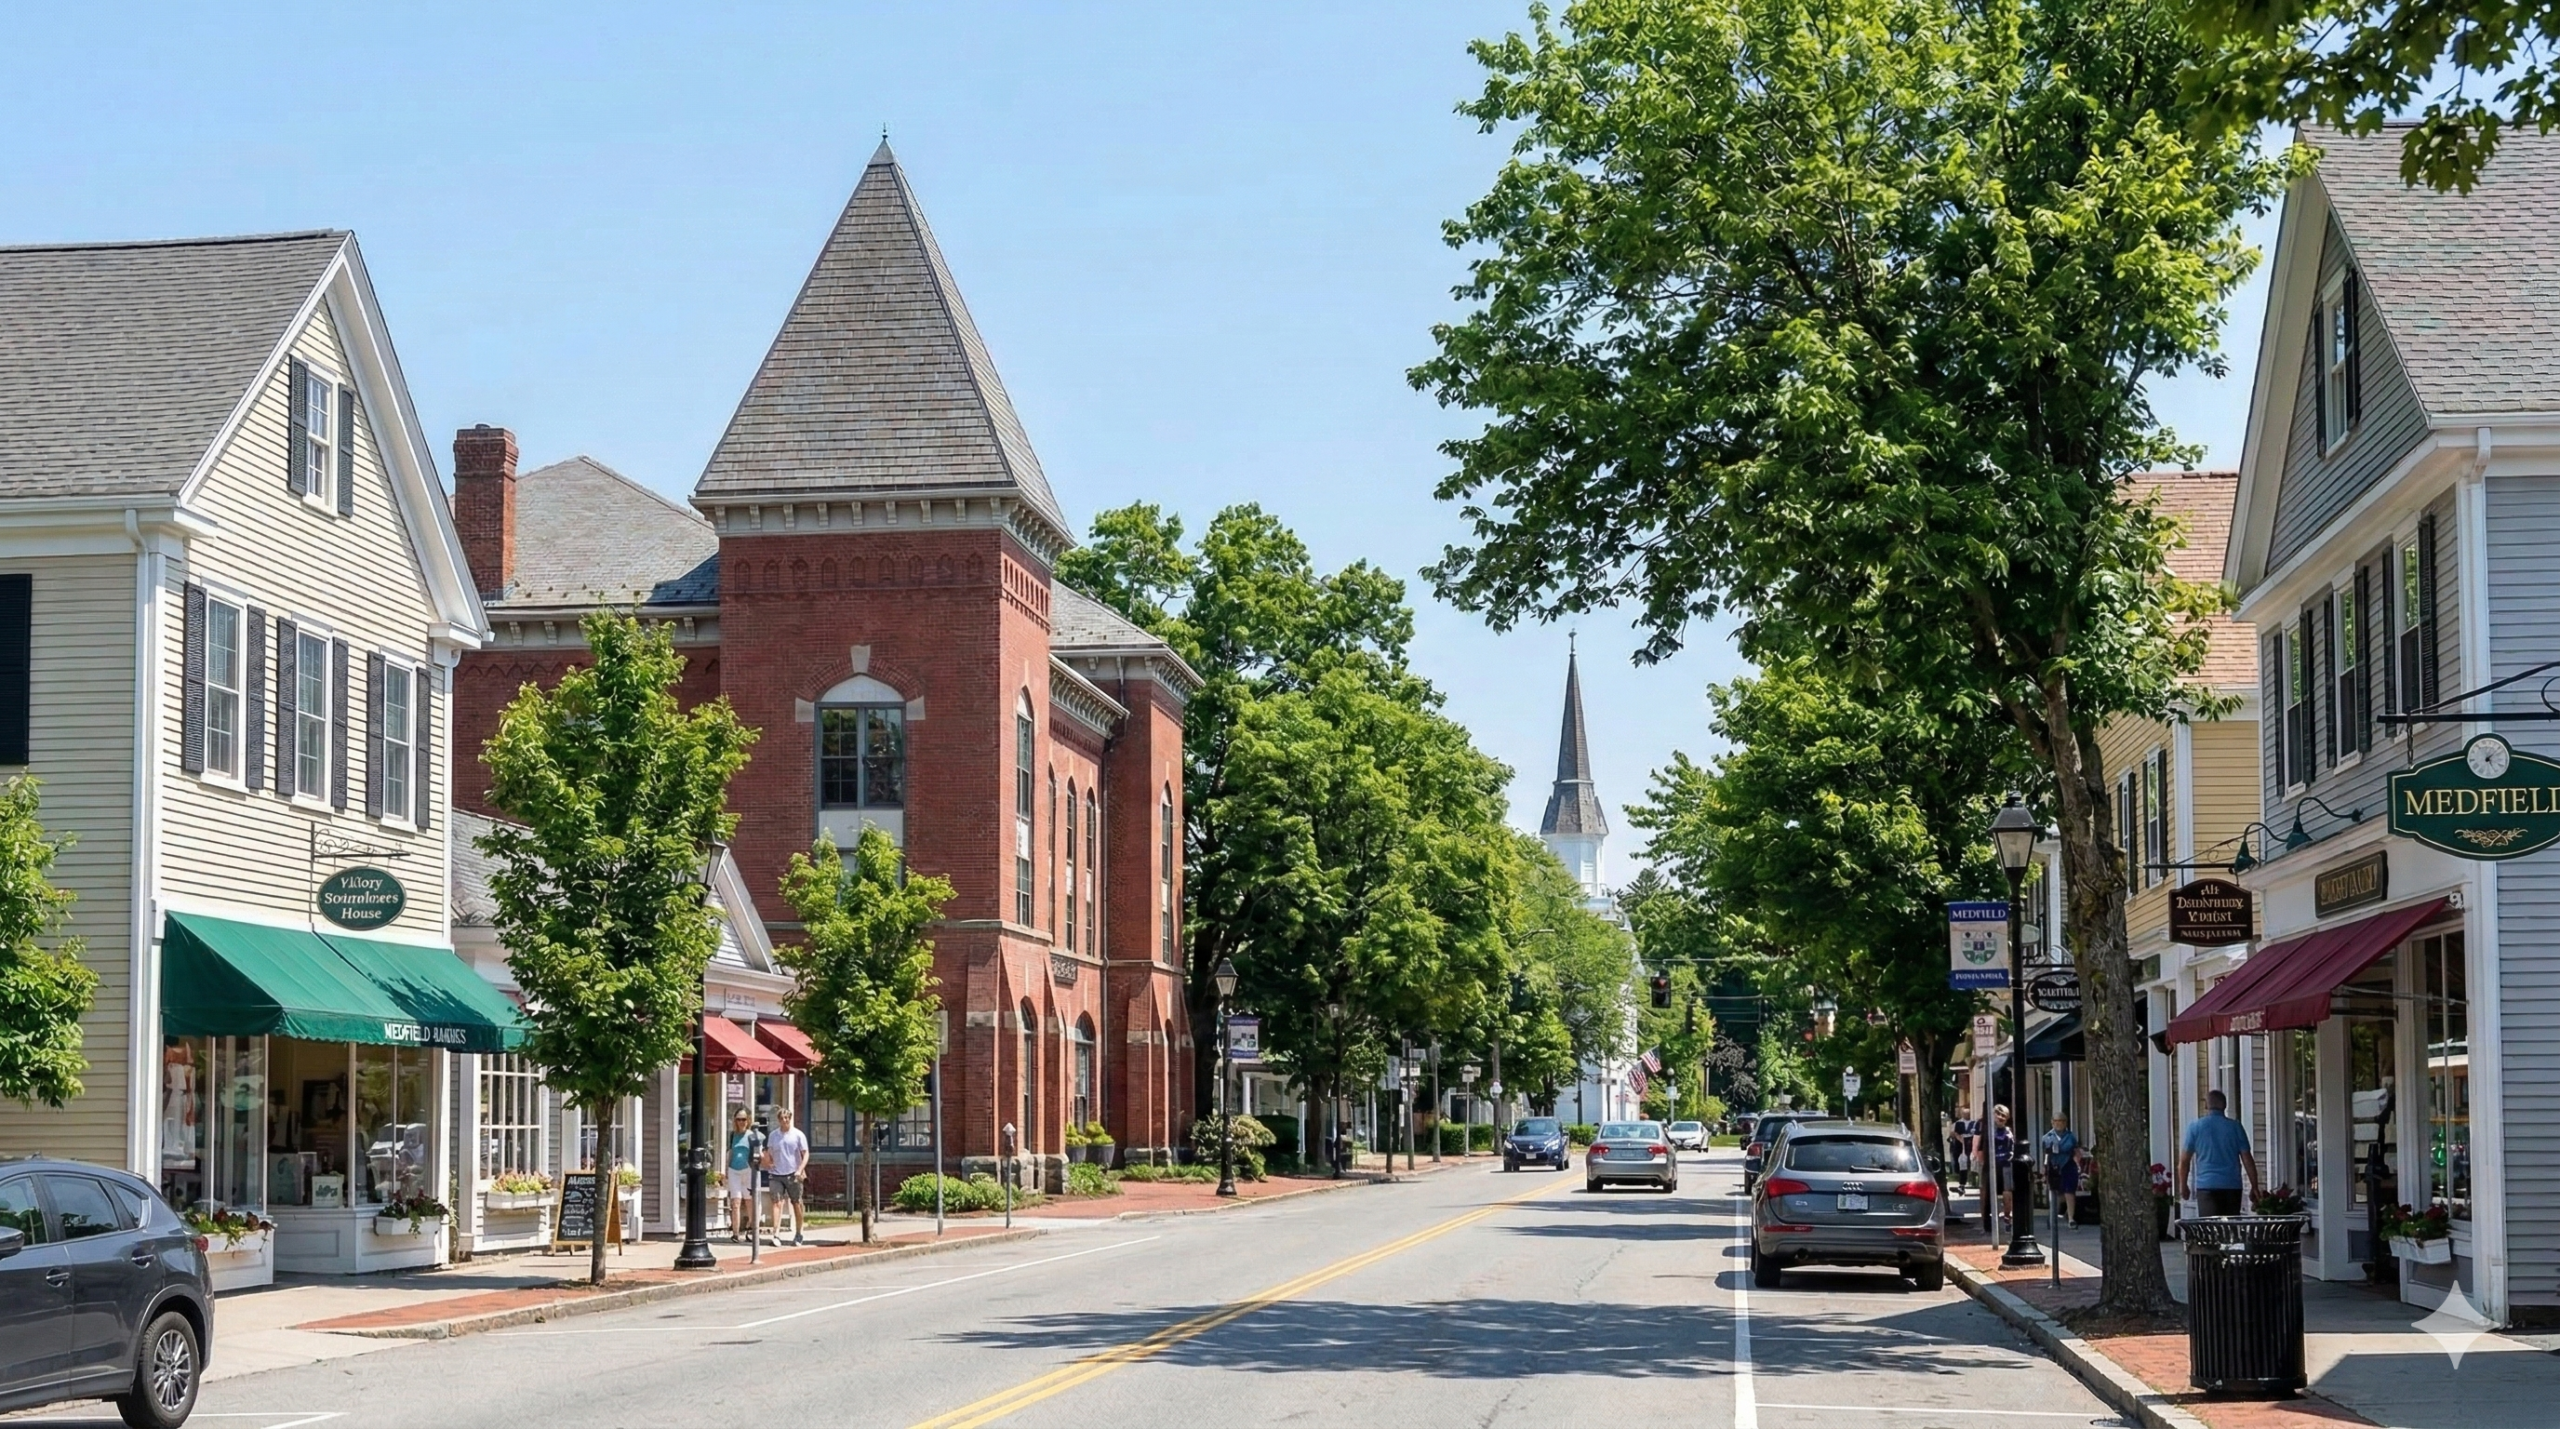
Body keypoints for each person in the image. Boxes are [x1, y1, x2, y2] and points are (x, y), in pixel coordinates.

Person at [2178, 1089, 2261, 1219]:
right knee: (2230, 1229)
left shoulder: (2195, 1127)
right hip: (2231, 1186)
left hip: (2206, 1186)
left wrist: (2183, 1185)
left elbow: (2184, 1161)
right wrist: (2254, 1185)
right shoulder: (2235, 1127)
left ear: (2206, 1105)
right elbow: (2247, 1159)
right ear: (2225, 1105)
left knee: (2210, 1229)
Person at [766, 1107, 811, 1246]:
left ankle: (799, 1233)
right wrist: (769, 1162)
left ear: (790, 1119)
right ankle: (776, 1234)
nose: (785, 1121)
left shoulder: (798, 1135)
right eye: (782, 1118)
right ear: (778, 1120)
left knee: (796, 1203)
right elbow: (769, 1151)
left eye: (787, 1118)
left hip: (793, 1174)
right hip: (776, 1174)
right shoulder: (773, 1135)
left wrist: (800, 1169)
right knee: (777, 1202)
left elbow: (806, 1154)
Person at [724, 1109, 765, 1244]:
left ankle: (751, 1229)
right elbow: (730, 1153)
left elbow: (759, 1153)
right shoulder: (732, 1135)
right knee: (735, 1202)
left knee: (749, 1201)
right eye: (738, 1119)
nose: (741, 1122)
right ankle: (735, 1233)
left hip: (747, 1170)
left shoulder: (752, 1136)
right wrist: (725, 1171)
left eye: (744, 1119)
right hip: (734, 1170)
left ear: (748, 1121)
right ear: (735, 1121)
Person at [2040, 1112, 2083, 1225]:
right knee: (2055, 1192)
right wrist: (2044, 1168)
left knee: (2069, 1191)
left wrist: (2078, 1163)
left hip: (2069, 1166)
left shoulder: (2071, 1137)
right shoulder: (2046, 1137)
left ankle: (2071, 1218)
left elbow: (2076, 1151)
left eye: (2061, 1121)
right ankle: (2053, 1217)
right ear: (2052, 1122)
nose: (2059, 1124)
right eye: (2056, 1121)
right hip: (2053, 1166)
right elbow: (2045, 1154)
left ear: (2065, 1123)